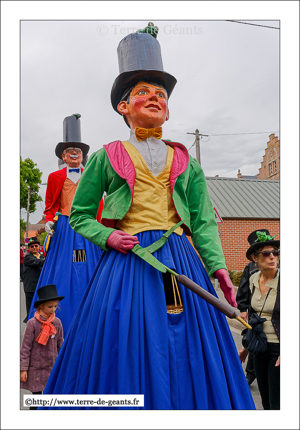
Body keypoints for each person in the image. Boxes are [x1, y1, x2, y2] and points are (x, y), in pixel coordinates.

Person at [42, 26, 255, 410]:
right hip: (127, 261)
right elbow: (81, 217)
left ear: (168, 108)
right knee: (124, 337)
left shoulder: (185, 161)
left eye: (161, 95)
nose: (154, 98)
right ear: (123, 106)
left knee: (190, 341)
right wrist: (108, 238)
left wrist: (218, 266)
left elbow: (204, 220)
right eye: (143, 92)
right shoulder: (107, 156)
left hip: (179, 257)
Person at [27, 114, 104, 335]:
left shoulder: (91, 175)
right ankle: (57, 311)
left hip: (87, 226)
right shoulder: (54, 177)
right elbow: (50, 204)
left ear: (83, 156)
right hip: (65, 228)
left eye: (78, 151)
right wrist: (50, 220)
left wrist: (102, 226)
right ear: (63, 156)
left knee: (87, 263)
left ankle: (93, 311)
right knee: (65, 265)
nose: (74, 154)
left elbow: (99, 204)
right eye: (70, 151)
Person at [238, 229, 280, 410]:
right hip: (260, 346)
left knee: (278, 401)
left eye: (275, 252)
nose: (272, 257)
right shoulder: (254, 278)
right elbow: (255, 316)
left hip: (279, 348)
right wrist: (246, 347)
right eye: (266, 253)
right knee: (265, 398)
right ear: (255, 258)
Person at [20, 284, 64, 409]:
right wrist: (23, 368)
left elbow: (60, 344)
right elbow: (26, 347)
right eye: (50, 306)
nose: (53, 309)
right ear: (41, 306)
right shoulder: (32, 324)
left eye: (55, 306)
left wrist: (62, 364)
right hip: (36, 367)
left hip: (51, 365)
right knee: (36, 398)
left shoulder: (57, 323)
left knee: (50, 395)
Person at [236, 254, 259, 386]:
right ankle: (250, 375)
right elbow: (243, 288)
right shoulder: (250, 267)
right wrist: (243, 308)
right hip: (255, 311)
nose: (271, 256)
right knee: (256, 343)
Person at [23, 237, 45, 323]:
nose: (34, 247)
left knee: (39, 307)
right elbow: (38, 263)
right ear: (29, 248)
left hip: (39, 286)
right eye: (32, 246)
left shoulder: (41, 256)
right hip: (30, 287)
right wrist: (49, 259)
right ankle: (30, 324)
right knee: (31, 308)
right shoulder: (28, 257)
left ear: (39, 246)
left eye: (36, 245)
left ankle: (38, 323)